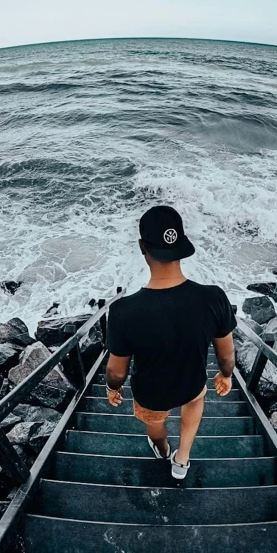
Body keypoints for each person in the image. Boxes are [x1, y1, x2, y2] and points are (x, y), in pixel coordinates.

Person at [105, 204, 237, 480]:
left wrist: (111, 388)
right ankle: (182, 459)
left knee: (154, 419)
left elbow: (116, 371)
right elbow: (226, 356)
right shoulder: (214, 298)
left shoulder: (123, 311)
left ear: (143, 247)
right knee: (195, 401)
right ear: (181, 243)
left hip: (151, 392)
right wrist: (226, 375)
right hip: (192, 382)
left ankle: (163, 449)